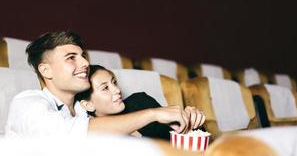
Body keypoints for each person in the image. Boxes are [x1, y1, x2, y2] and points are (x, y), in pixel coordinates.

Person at [5, 30, 205, 137]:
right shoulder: (27, 103)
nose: (85, 63)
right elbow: (68, 135)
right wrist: (153, 114)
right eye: (71, 57)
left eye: (83, 56)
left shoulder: (84, 110)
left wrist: (183, 125)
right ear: (45, 70)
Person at [75, 65, 206, 139]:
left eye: (114, 82)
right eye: (105, 88)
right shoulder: (89, 133)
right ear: (88, 105)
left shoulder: (140, 102)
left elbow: (177, 139)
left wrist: (190, 122)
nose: (117, 90)